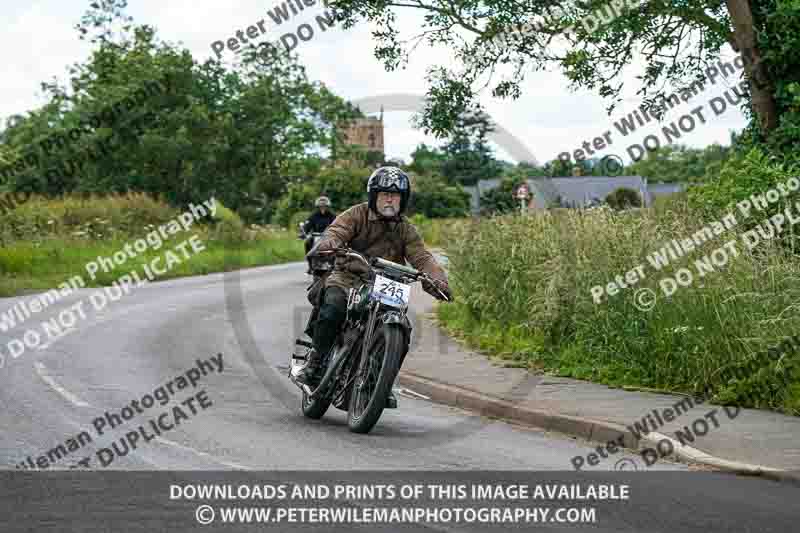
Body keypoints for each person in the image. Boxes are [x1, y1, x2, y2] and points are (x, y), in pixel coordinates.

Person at [298, 167, 452, 407]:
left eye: (395, 195)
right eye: (384, 194)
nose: (390, 199)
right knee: (334, 306)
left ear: (403, 200)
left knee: (402, 328)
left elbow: (422, 257)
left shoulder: (406, 229)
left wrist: (437, 279)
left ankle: (380, 381)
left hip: (387, 283)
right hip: (349, 275)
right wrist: (330, 243)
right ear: (373, 196)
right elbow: (336, 231)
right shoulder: (356, 214)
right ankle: (315, 363)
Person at [302, 196, 337, 273]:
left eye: (325, 206)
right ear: (318, 207)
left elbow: (337, 225)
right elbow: (307, 225)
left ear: (328, 207)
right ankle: (310, 265)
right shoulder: (314, 216)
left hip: (329, 237)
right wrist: (304, 233)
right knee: (307, 243)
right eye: (321, 206)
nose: (323, 208)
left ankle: (336, 265)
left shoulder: (332, 216)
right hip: (316, 237)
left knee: (338, 246)